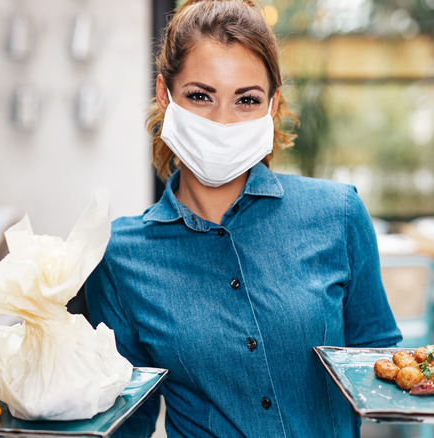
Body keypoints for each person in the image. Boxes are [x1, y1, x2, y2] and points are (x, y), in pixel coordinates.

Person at [84, 0, 402, 436]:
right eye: (200, 96)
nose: (222, 123)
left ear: (272, 106)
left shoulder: (338, 214)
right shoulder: (120, 254)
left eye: (246, 100)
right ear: (164, 96)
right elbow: (125, 417)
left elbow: (381, 369)